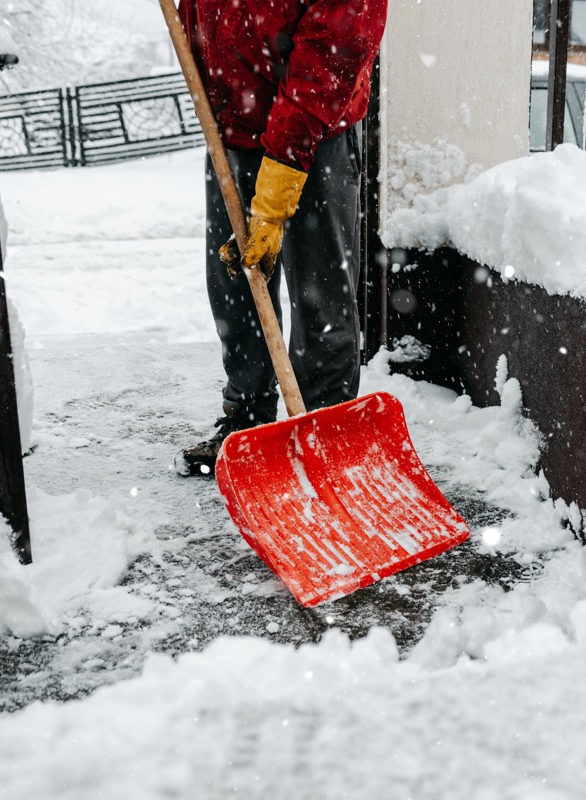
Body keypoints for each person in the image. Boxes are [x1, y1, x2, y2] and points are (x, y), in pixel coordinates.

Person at [175, 0, 388, 476]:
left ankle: (324, 429)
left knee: (320, 292)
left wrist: (286, 157)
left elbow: (337, 46)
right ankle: (248, 417)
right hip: (231, 130)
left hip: (317, 131)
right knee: (235, 282)